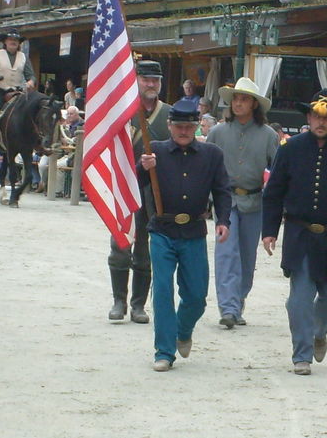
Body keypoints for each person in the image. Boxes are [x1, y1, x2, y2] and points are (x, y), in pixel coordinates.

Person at [262, 89, 327, 375]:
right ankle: (302, 355)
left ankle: (317, 333)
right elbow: (273, 194)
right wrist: (269, 230)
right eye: (316, 116)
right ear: (308, 117)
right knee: (299, 298)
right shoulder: (290, 149)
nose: (321, 122)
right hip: (300, 234)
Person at [138, 100, 232, 372]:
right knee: (163, 290)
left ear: (197, 126)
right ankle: (164, 351)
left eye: (189, 126)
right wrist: (143, 168)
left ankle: (183, 329)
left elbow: (223, 190)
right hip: (162, 230)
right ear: (169, 126)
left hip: (193, 231)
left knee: (196, 297)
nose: (183, 131)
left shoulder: (211, 154)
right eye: (178, 125)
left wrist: (223, 220)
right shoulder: (153, 151)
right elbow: (135, 184)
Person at [207, 77, 279, 328]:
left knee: (247, 257)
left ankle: (238, 300)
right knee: (226, 253)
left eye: (244, 99)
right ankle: (228, 307)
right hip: (225, 200)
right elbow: (206, 167)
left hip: (255, 200)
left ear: (254, 105)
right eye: (235, 98)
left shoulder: (269, 135)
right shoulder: (217, 132)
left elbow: (278, 171)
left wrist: (276, 204)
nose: (238, 103)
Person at [107, 60, 172, 323]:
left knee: (146, 250)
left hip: (153, 189)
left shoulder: (169, 114)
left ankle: (138, 305)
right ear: (136, 81)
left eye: (155, 80)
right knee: (120, 245)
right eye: (146, 79)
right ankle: (119, 301)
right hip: (124, 187)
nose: (151, 84)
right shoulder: (123, 111)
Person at [0, 28, 35, 111]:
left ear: (19, 43)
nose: (13, 42)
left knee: (29, 109)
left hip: (17, 91)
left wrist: (31, 82)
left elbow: (31, 76)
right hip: (0, 90)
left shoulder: (24, 57)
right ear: (5, 42)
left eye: (16, 40)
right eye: (10, 39)